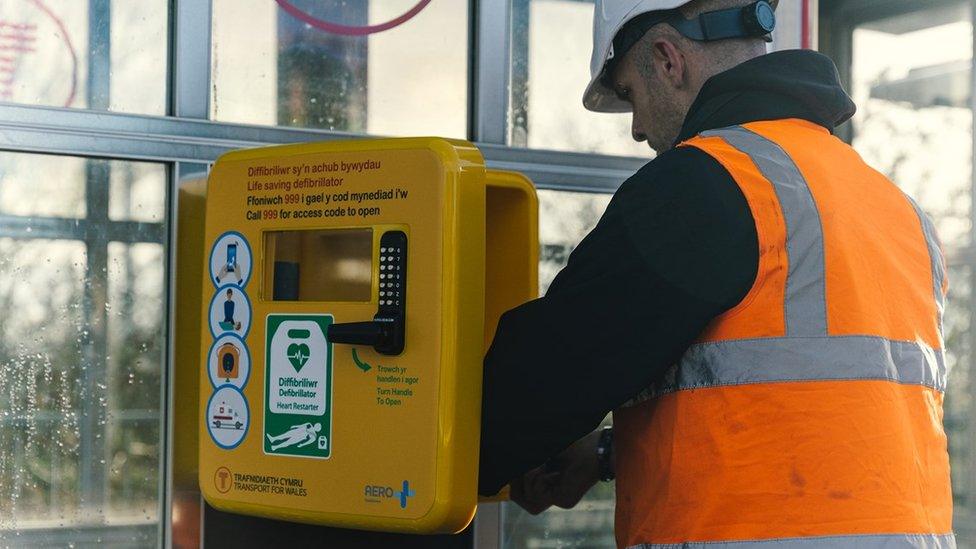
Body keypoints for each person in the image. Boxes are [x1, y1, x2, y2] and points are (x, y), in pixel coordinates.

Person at [478, 0, 954, 547]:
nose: (636, 129)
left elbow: (541, 381)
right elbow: (829, 418)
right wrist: (608, 453)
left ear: (666, 60)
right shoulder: (896, 207)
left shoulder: (705, 184)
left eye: (630, 94)